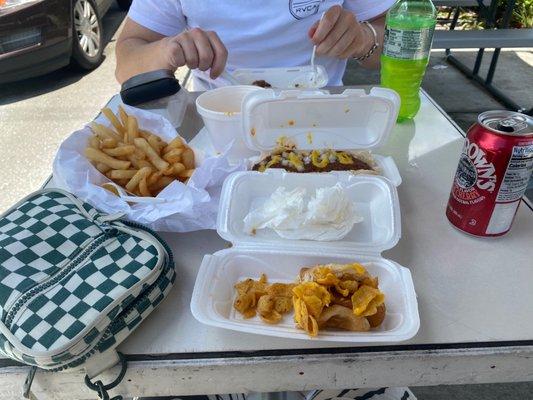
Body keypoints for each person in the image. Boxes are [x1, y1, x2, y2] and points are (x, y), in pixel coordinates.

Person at [115, 1, 397, 89]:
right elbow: (126, 63)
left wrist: (363, 39)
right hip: (218, 121)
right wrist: (166, 51)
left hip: (322, 114)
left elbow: (395, 43)